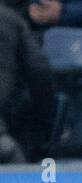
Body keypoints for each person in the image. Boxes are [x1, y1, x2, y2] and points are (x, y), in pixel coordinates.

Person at [0, 5, 54, 164]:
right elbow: (39, 70)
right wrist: (45, 119)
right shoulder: (8, 17)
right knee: (10, 154)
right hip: (7, 119)